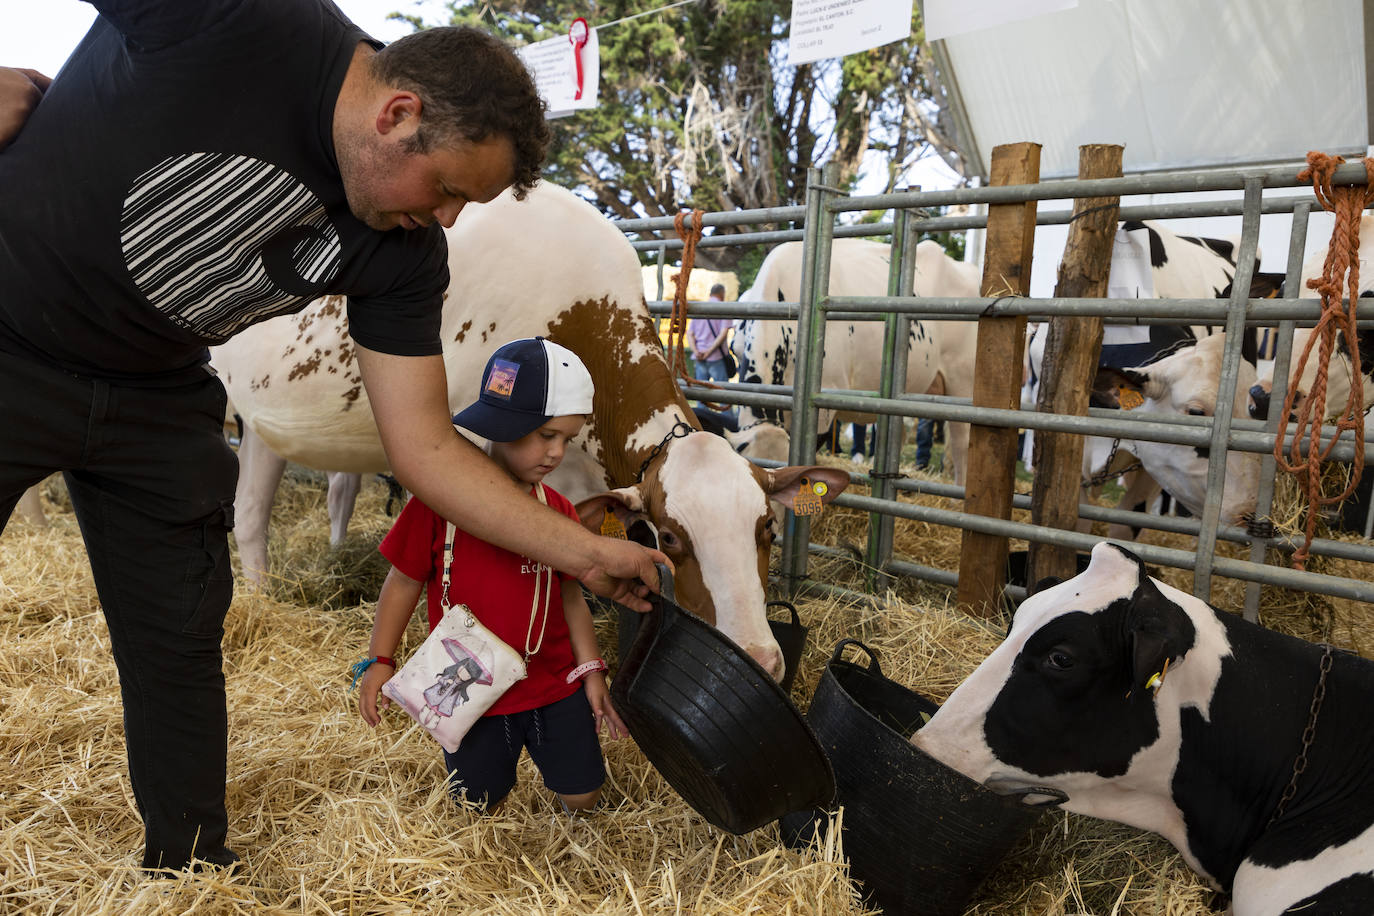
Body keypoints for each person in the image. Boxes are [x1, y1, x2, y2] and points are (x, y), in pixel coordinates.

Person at [0, 2, 664, 873]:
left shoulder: (403, 253)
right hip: (9, 338)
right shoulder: (239, 22)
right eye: (450, 190)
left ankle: (190, 870)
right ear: (398, 117)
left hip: (154, 389)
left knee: (178, 637)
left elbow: (423, 448)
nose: (452, 221)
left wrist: (583, 553)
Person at [358, 338, 626, 814]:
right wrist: (381, 658)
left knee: (582, 793)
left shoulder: (558, 511)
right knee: (479, 805)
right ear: (504, 427)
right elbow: (402, 580)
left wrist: (591, 671)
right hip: (471, 691)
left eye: (567, 438)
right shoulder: (438, 505)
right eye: (546, 435)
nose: (557, 453)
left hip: (553, 684)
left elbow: (571, 597)